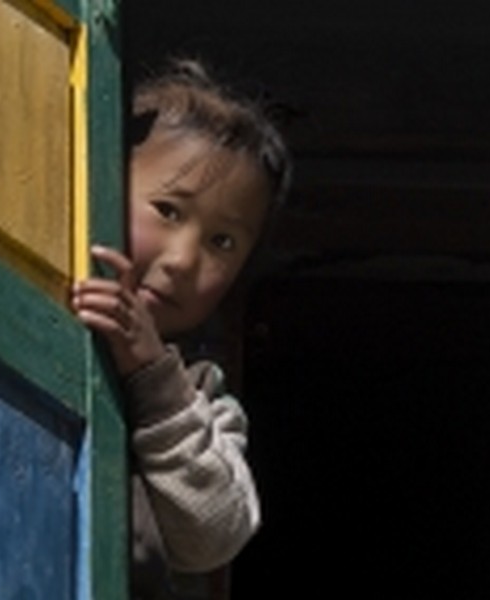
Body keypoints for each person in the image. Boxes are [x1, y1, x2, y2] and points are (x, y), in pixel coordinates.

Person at [71, 58, 292, 599]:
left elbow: (213, 536)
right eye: (168, 211)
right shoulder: (16, 310)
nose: (184, 259)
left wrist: (152, 377)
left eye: (223, 242)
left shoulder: (200, 397)